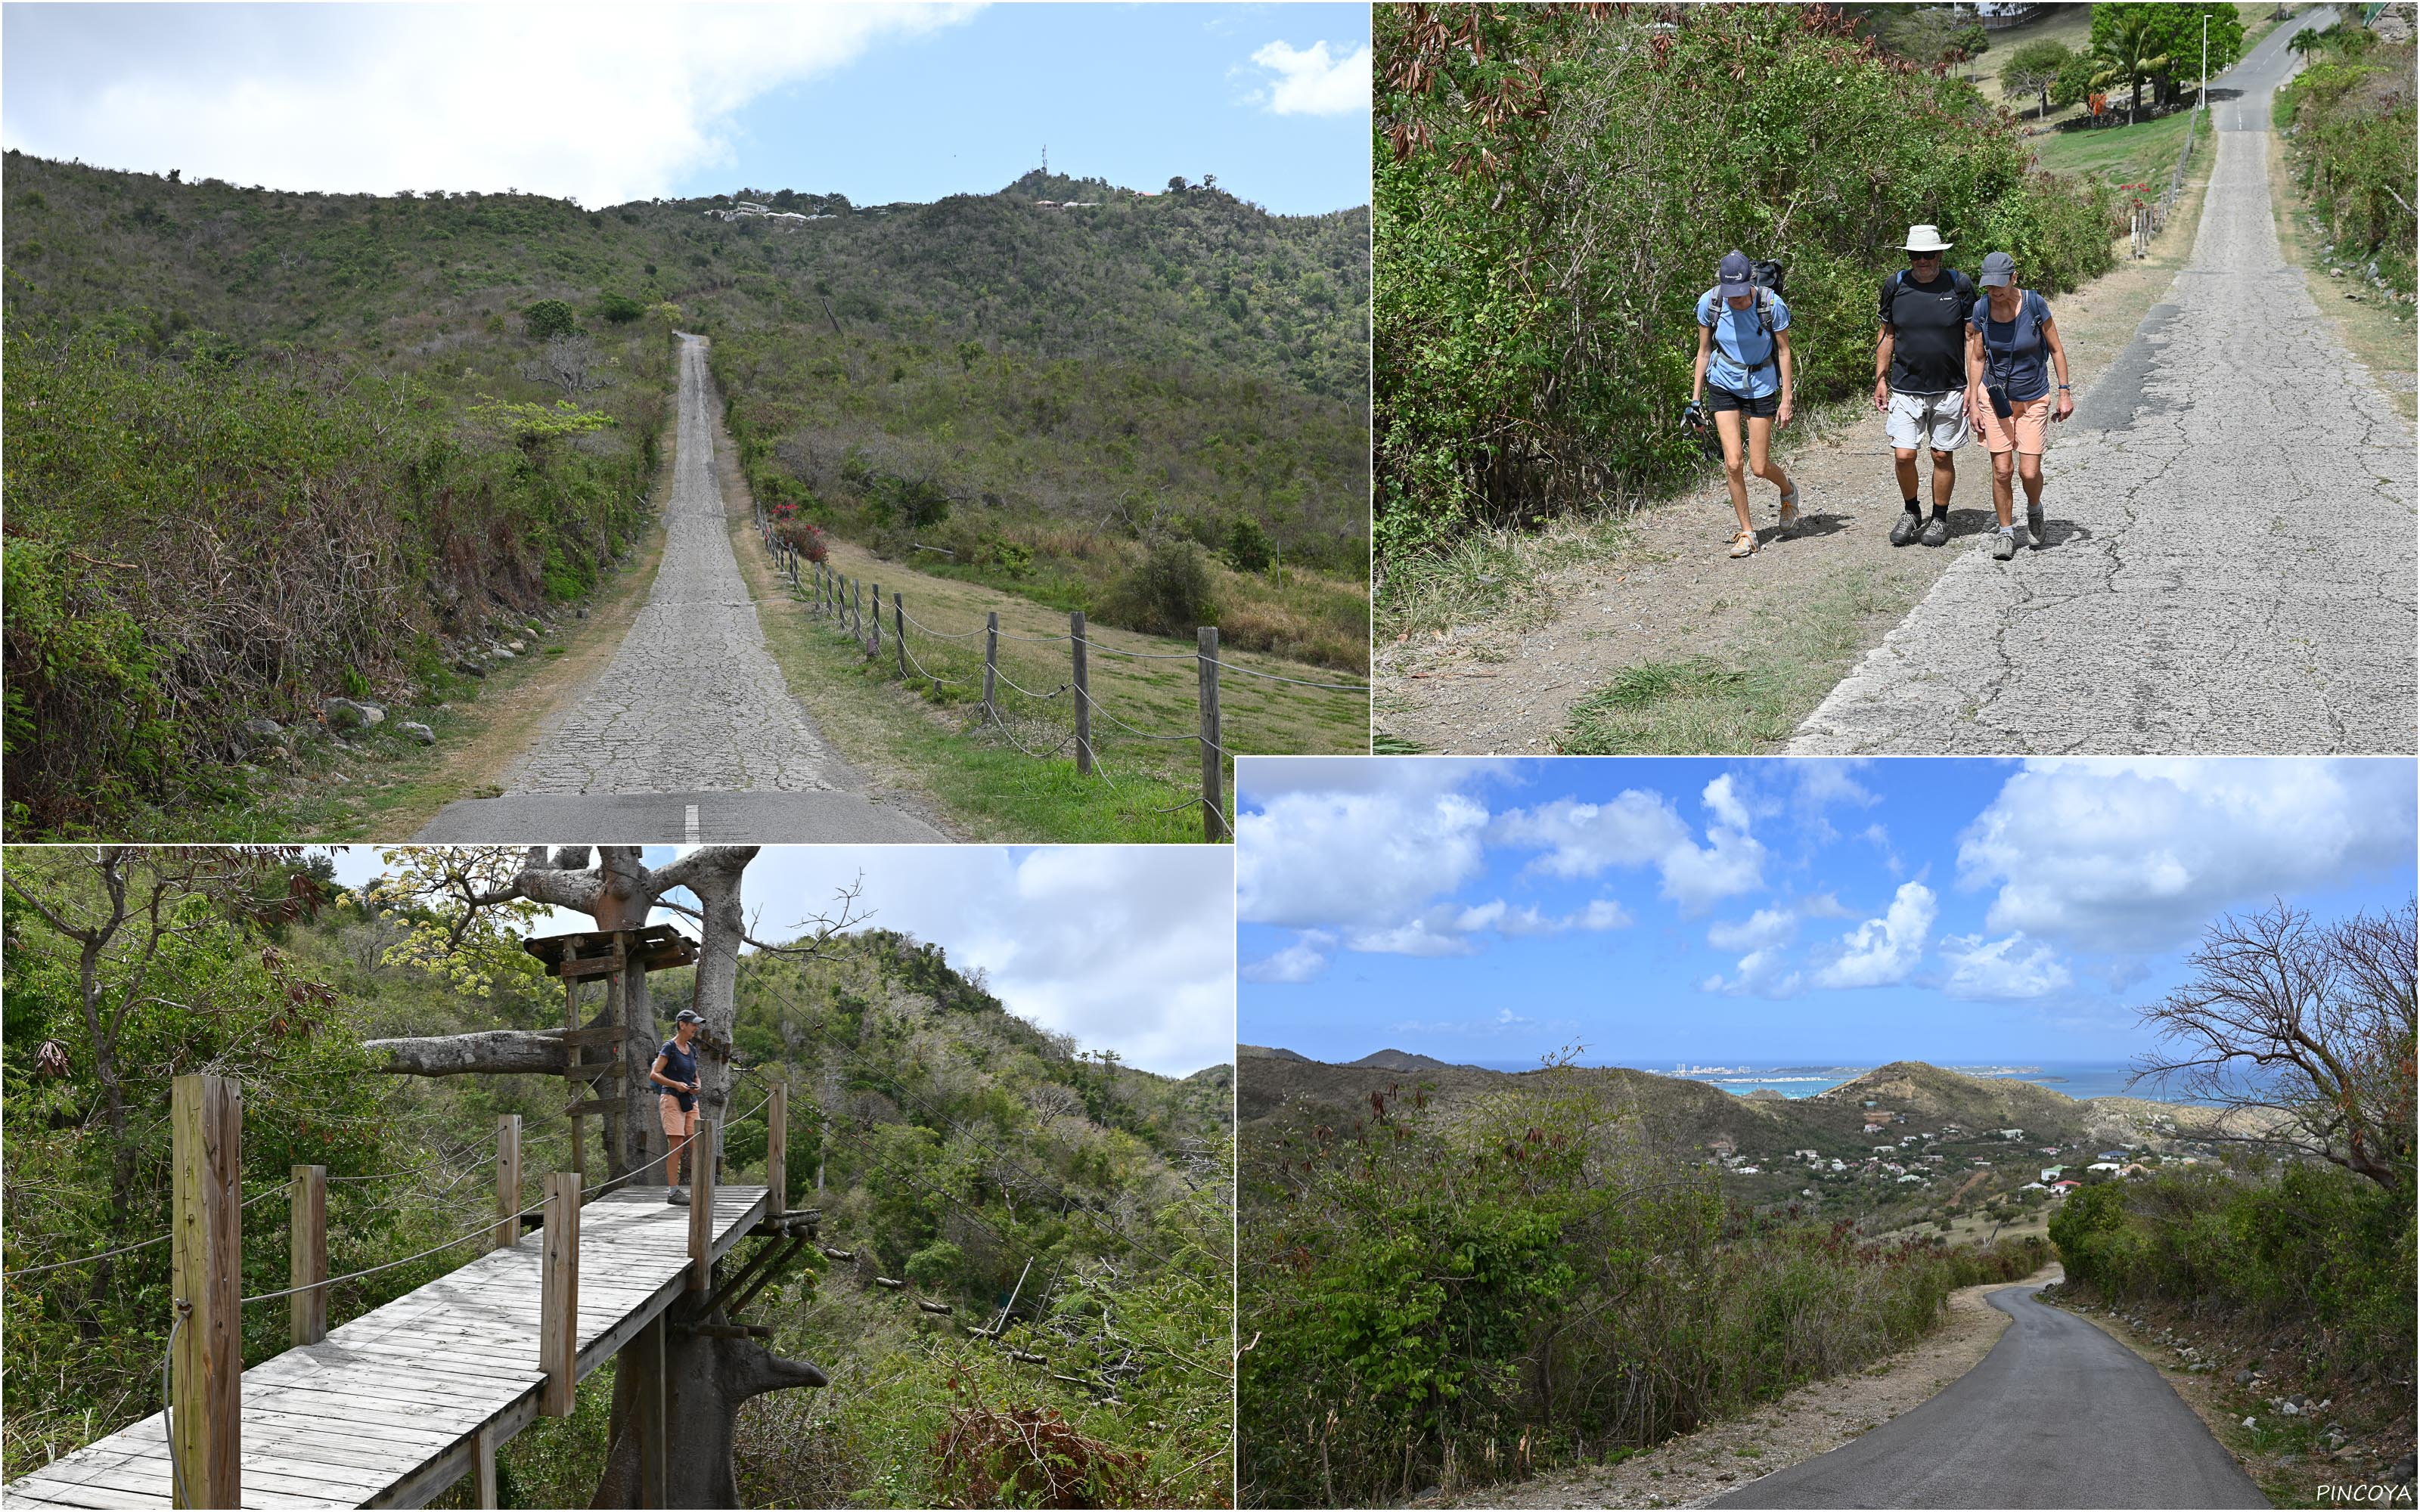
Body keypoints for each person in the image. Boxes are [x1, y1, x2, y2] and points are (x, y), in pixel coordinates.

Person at [1965, 251, 2074, 562]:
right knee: (2002, 470)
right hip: (1994, 398)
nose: (1994, 292)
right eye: (1989, 286)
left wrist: (2064, 392)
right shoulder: (1982, 308)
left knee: (2028, 471)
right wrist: (1973, 400)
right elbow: (1977, 357)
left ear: (2014, 278)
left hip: (2033, 398)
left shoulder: (2035, 304)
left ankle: (2035, 509)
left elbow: (2056, 349)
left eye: (2000, 285)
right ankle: (2006, 532)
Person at [1873, 225, 1978, 548]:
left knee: (1941, 455)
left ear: (1940, 255)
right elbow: (1887, 334)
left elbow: (1973, 337)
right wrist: (1880, 378)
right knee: (1904, 455)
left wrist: (1975, 388)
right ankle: (1911, 511)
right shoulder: (1896, 285)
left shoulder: (1958, 285)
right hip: (1906, 387)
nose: (1922, 261)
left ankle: (1940, 519)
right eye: (1916, 255)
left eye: (1928, 255)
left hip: (1950, 387)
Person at [1692, 249, 1800, 559]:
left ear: (1751, 283)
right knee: (1733, 462)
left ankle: (1788, 491)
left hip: (1761, 384)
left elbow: (1784, 352)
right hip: (1723, 383)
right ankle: (1748, 533)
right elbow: (1703, 352)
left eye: (1741, 294)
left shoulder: (1771, 305)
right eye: (1731, 295)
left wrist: (1787, 398)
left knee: (1758, 466)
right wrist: (1696, 400)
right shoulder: (1710, 303)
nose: (1736, 301)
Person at [652, 1008, 706, 1204]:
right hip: (672, 1099)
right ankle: (673, 1192)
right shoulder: (670, 1047)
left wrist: (697, 1085)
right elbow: (655, 1074)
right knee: (677, 1146)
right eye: (693, 1024)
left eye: (696, 1025)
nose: (695, 1028)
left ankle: (701, 1189)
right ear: (682, 1025)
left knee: (697, 1144)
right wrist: (676, 1085)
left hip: (690, 1101)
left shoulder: (691, 1049)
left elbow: (695, 1074)